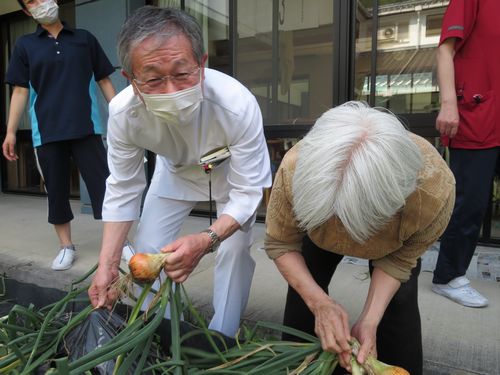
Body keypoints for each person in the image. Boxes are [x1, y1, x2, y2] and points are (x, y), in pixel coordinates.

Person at [88, 6, 271, 337]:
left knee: (234, 250)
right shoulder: (123, 114)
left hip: (231, 179)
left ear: (201, 65)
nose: (171, 90)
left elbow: (249, 192)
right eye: (154, 78)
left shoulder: (236, 104)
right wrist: (106, 266)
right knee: (149, 249)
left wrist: (207, 239)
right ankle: (160, 331)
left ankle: (222, 336)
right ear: (131, 79)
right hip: (173, 173)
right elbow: (123, 188)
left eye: (182, 73)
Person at [264, 102, 455, 375]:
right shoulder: (295, 169)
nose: (347, 235)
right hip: (317, 236)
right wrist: (320, 303)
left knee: (398, 307)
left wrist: (369, 319)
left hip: (392, 242)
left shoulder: (434, 191)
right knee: (304, 300)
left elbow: (401, 259)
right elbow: (281, 243)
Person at [2, 0, 116, 271]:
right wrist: (10, 131)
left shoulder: (84, 39)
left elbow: (104, 80)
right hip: (48, 131)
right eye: (32, 1)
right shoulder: (25, 45)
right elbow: (20, 91)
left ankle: (117, 245)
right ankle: (66, 246)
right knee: (56, 191)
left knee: (105, 187)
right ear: (27, 12)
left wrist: (122, 115)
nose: (40, 3)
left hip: (86, 126)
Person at [431, 0, 498, 308]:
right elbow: (445, 49)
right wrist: (449, 104)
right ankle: (448, 276)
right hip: (477, 115)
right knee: (470, 203)